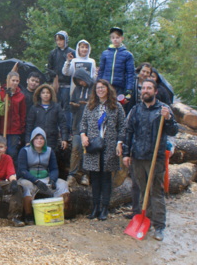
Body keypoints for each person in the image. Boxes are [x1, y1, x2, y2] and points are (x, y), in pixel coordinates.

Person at [123, 79, 178, 241]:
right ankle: (144, 220)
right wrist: (126, 154)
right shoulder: (135, 110)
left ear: (155, 92)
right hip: (138, 156)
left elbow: (173, 131)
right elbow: (128, 132)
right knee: (141, 189)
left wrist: (168, 119)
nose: (145, 91)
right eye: (143, 88)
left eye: (149, 88)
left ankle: (159, 226)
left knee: (155, 192)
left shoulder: (163, 109)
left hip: (156, 157)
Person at [80, 80, 126, 221]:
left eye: (103, 87)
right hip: (93, 145)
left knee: (106, 178)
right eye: (98, 88)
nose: (100, 90)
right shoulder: (90, 106)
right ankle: (95, 207)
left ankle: (105, 208)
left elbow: (122, 126)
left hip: (110, 146)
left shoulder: (116, 106)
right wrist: (83, 136)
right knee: (95, 178)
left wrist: (119, 143)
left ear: (108, 89)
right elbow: (83, 123)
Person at [16, 128, 70, 223]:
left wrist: (53, 180)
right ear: (32, 140)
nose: (39, 141)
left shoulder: (49, 151)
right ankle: (29, 216)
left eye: (41, 138)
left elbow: (54, 168)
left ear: (44, 140)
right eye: (36, 138)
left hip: (46, 177)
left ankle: (59, 214)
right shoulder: (24, 151)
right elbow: (22, 170)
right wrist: (35, 181)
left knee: (63, 185)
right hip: (29, 178)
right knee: (26, 186)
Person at [67, 68, 94, 187]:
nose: (81, 83)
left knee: (87, 150)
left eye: (82, 80)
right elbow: (71, 107)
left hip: (91, 126)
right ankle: (72, 175)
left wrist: (88, 105)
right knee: (75, 148)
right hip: (77, 124)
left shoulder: (94, 88)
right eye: (78, 81)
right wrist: (74, 105)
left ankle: (86, 175)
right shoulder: (77, 89)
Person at [98, 27, 135, 111]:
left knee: (118, 109)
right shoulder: (105, 54)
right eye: (113, 38)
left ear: (122, 38)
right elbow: (101, 71)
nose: (115, 40)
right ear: (110, 39)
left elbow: (130, 73)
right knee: (104, 108)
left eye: (117, 37)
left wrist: (129, 89)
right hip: (106, 86)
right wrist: (98, 84)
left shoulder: (127, 55)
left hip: (119, 87)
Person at [25, 84, 69, 151]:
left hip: (52, 139)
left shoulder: (56, 107)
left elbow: (63, 123)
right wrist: (28, 140)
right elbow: (29, 125)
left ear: (51, 94)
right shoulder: (34, 108)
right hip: (37, 139)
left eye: (48, 92)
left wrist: (64, 139)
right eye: (43, 93)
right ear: (40, 94)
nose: (46, 94)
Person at [48, 31, 76, 127]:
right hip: (56, 84)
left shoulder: (72, 52)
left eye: (61, 39)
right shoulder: (53, 53)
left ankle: (67, 129)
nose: (59, 42)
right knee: (56, 106)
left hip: (68, 84)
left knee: (67, 108)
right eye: (57, 40)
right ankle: (57, 128)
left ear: (66, 40)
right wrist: (53, 76)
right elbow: (49, 68)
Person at [0, 71, 26, 160]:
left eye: (17, 81)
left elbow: (22, 114)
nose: (15, 83)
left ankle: (11, 172)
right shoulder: (1, 94)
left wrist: (21, 129)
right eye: (13, 80)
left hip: (15, 130)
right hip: (2, 129)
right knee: (1, 152)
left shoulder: (21, 96)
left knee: (12, 153)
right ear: (8, 80)